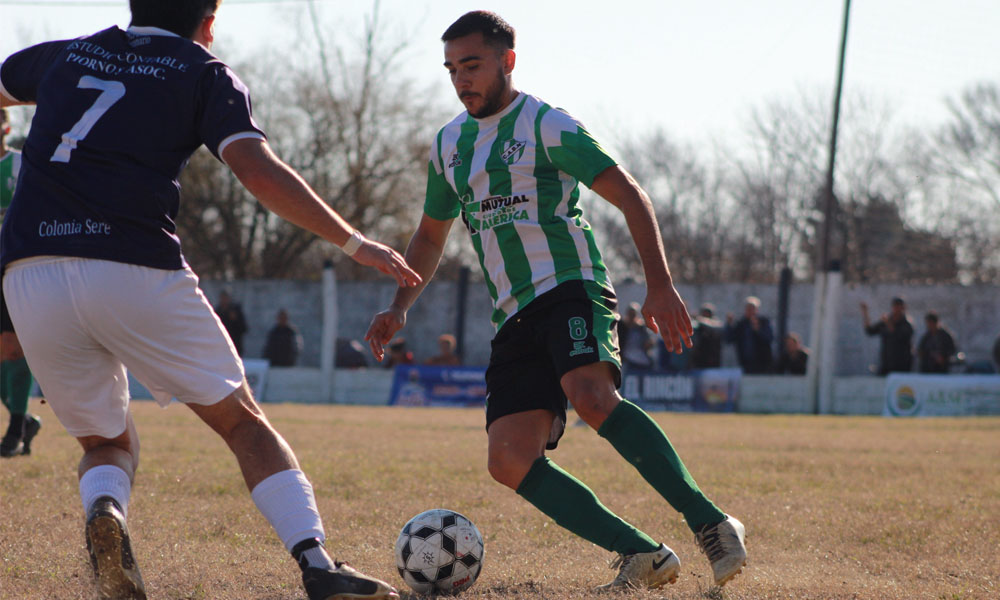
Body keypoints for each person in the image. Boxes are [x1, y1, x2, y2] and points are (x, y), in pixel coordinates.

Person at [0, 1, 420, 598]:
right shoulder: (203, 71)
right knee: (243, 423)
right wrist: (354, 242)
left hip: (29, 271)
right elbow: (253, 166)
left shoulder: (66, 53)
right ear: (209, 21)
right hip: (132, 266)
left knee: (106, 441)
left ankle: (107, 515)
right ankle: (317, 564)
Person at [365, 11, 746, 591]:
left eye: (472, 65)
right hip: (512, 316)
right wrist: (400, 304)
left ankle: (711, 523)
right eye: (451, 69)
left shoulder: (546, 124)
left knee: (592, 396)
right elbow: (429, 235)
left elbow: (631, 195)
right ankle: (642, 554)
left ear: (506, 61)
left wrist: (660, 284)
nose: (461, 79)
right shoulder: (448, 145)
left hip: (571, 286)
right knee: (508, 459)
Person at [1, 107, 41, 458]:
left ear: (5, 125)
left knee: (15, 347)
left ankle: (15, 428)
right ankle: (25, 420)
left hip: (15, 267)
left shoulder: (18, 166)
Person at [861, 298, 914, 374]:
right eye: (895, 306)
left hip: (902, 366)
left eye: (899, 307)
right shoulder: (886, 322)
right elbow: (870, 331)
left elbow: (898, 335)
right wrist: (865, 313)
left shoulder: (907, 324)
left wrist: (888, 323)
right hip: (886, 365)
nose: (896, 309)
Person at [723, 296, 774, 374]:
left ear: (757, 310)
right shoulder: (740, 324)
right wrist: (729, 325)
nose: (750, 311)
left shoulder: (764, 322)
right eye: (748, 309)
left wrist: (758, 330)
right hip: (745, 363)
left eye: (752, 309)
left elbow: (769, 338)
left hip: (763, 363)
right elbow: (728, 339)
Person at [618, 302, 655, 372]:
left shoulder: (642, 328)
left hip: (640, 358)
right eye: (630, 314)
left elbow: (649, 342)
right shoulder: (621, 327)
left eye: (633, 315)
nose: (632, 317)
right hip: (626, 359)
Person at [215, 289, 248, 357]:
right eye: (222, 298)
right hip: (220, 345)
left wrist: (235, 319)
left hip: (234, 345)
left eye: (226, 298)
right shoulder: (217, 311)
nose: (224, 300)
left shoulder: (235, 310)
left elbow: (244, 328)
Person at [689, 303, 722, 370]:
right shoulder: (698, 326)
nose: (705, 316)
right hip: (699, 361)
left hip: (713, 361)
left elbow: (714, 326)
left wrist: (699, 318)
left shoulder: (715, 324)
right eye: (704, 314)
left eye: (707, 314)